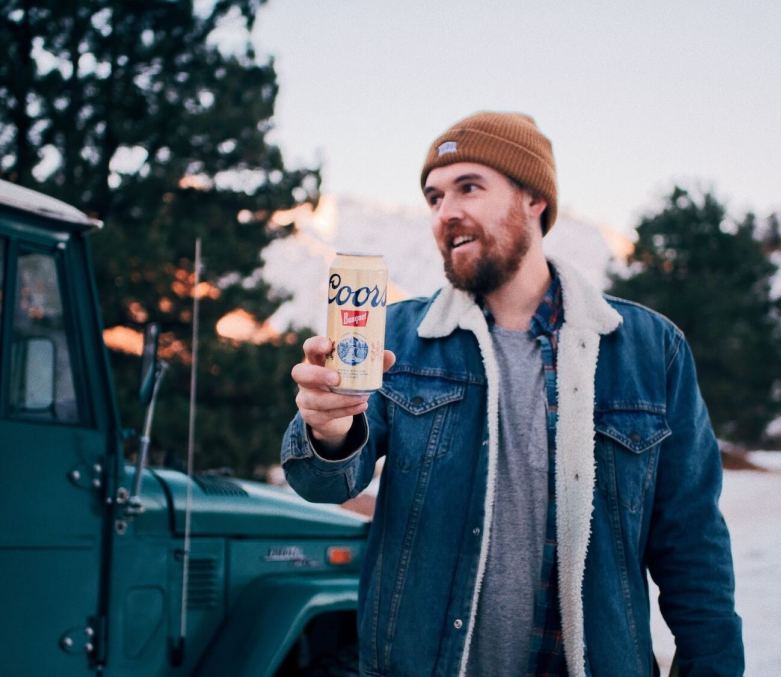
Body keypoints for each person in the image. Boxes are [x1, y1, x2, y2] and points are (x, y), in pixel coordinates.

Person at [281, 111, 744, 676]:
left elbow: (692, 544)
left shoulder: (649, 349)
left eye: (468, 187)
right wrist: (328, 432)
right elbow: (324, 481)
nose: (446, 212)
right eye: (433, 197)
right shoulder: (395, 338)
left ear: (534, 200)